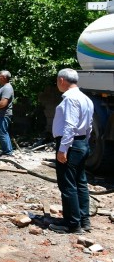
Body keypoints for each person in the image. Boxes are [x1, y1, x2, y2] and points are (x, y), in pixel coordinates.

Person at [48, 68, 94, 234]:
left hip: (71, 144)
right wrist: (84, 143)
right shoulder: (86, 99)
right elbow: (89, 126)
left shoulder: (69, 98)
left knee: (67, 184)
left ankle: (72, 224)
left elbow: (70, 125)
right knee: (80, 182)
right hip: (81, 143)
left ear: (62, 80)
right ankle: (84, 219)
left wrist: (63, 148)